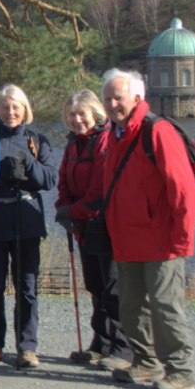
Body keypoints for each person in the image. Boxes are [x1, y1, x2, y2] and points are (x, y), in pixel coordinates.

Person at [99, 69, 195, 389]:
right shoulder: (115, 134)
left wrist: (182, 241)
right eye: (108, 98)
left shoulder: (157, 131)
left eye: (119, 97)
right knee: (131, 307)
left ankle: (180, 372)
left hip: (160, 240)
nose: (113, 104)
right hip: (127, 241)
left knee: (166, 308)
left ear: (137, 98)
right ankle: (145, 361)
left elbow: (182, 190)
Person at [54, 89, 132, 370]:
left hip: (105, 224)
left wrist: (72, 212)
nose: (77, 120)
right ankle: (100, 343)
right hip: (84, 225)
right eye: (72, 115)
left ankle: (123, 349)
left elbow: (101, 190)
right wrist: (64, 207)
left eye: (82, 114)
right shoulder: (73, 144)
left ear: (95, 114)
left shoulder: (104, 141)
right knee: (95, 286)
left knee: (112, 287)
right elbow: (63, 180)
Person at [0, 85, 57, 369]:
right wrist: (3, 173)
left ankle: (27, 347)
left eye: (16, 107)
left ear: (25, 110)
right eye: (5, 107)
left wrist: (28, 164)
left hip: (26, 221)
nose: (10, 112)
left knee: (27, 287)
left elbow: (49, 180)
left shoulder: (37, 140)